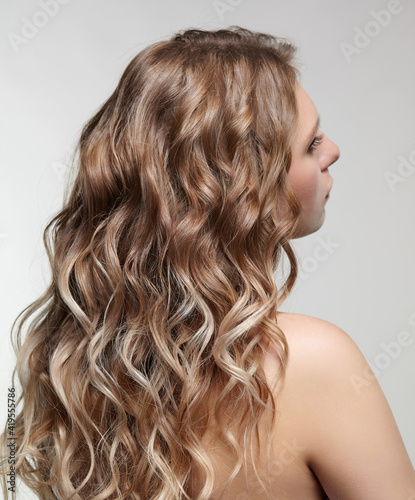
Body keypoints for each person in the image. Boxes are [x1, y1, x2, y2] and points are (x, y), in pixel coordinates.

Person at [1, 26, 414, 500]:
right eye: (311, 144)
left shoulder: (74, 368)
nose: (333, 151)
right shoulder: (311, 361)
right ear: (242, 190)